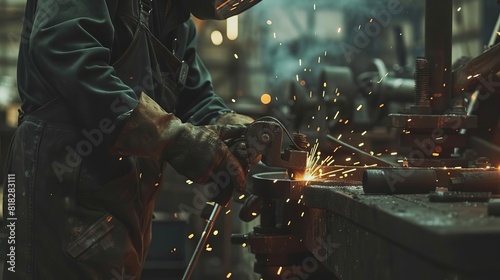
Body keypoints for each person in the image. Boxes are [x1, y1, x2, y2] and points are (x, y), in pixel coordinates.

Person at [2, 0, 261, 279]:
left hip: (119, 215)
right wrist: (173, 137)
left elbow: (192, 97)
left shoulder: (174, 19)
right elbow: (66, 51)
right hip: (60, 198)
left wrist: (231, 127)